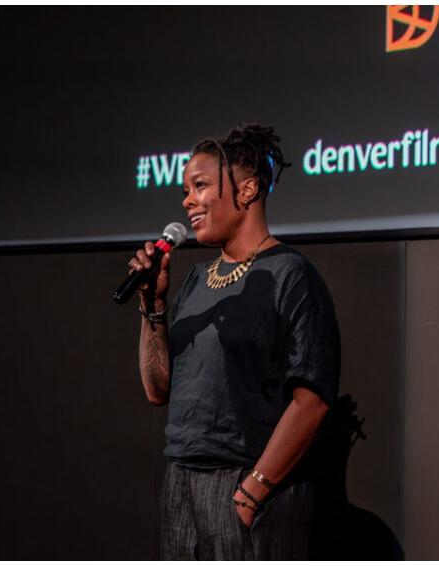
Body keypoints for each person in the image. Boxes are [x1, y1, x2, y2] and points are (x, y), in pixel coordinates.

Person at [127, 123, 341, 560]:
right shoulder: (195, 280)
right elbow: (157, 389)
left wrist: (250, 495)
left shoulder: (290, 275)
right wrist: (152, 307)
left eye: (201, 185)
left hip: (246, 486)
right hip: (181, 483)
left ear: (247, 190)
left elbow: (313, 400)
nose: (188, 200)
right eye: (186, 189)